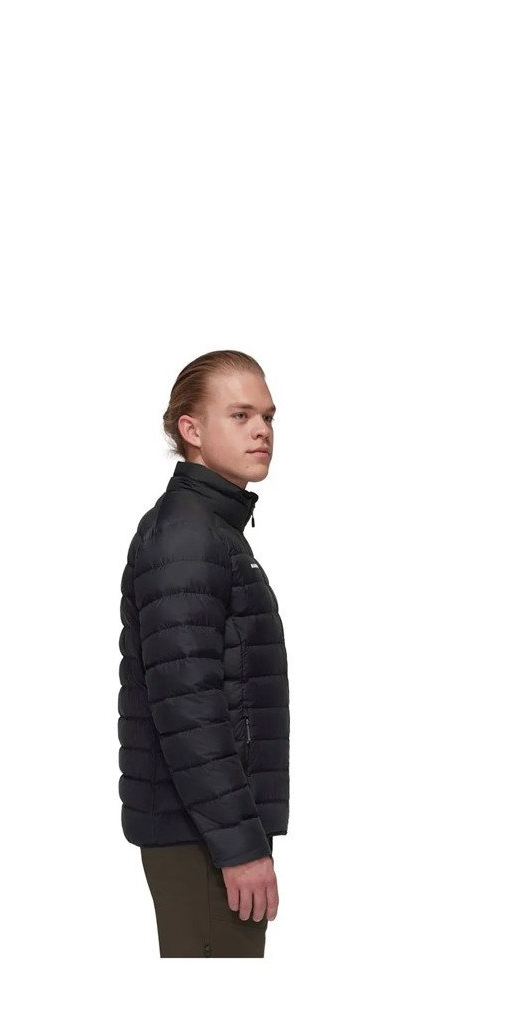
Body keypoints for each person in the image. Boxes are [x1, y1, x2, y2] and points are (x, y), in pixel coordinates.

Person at [118, 350, 290, 958]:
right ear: (191, 429)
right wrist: (239, 848)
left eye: (268, 416)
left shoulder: (210, 530)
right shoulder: (188, 536)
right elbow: (187, 708)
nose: (261, 430)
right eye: (240, 415)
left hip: (208, 827)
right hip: (202, 836)